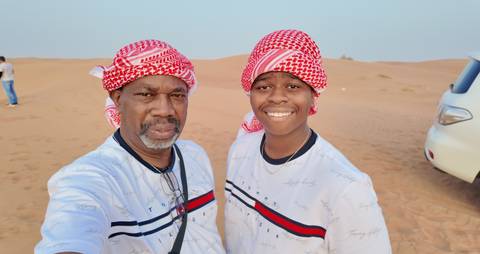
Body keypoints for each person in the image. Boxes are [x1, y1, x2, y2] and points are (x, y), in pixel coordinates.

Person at [36, 40, 225, 254]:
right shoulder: (90, 178)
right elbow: (70, 233)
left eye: (177, 95)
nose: (164, 110)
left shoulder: (195, 155)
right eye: (146, 94)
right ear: (118, 99)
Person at [224, 30, 392, 254]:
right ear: (250, 93)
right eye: (263, 87)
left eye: (293, 86)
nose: (276, 97)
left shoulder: (347, 188)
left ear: (313, 94)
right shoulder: (240, 150)